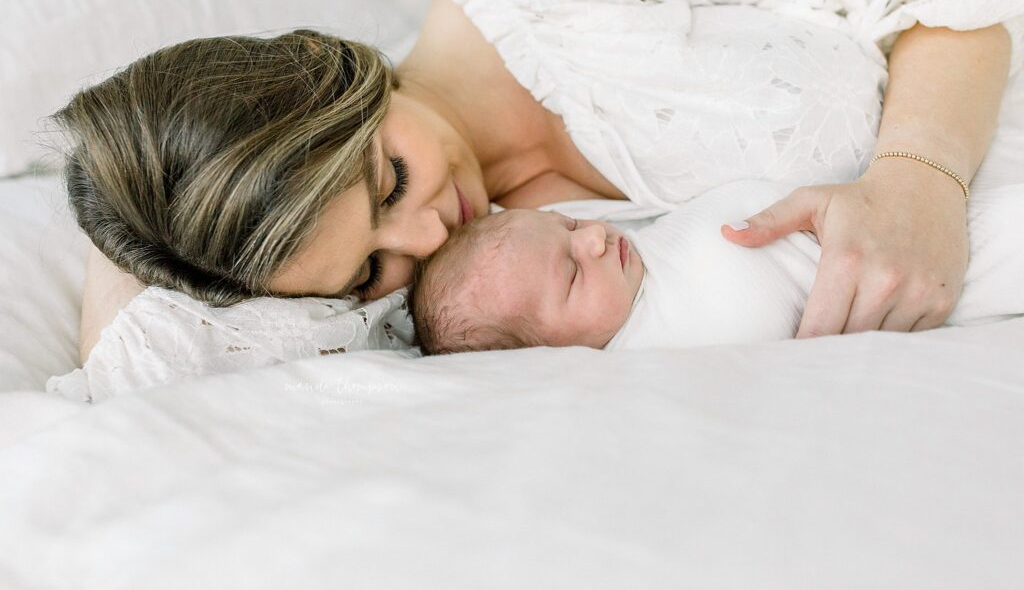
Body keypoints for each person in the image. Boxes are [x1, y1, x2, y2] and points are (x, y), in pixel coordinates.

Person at [65, 0, 1022, 365]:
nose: (427, 236)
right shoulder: (453, 294)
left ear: (335, 72)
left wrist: (919, 175)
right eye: (366, 270)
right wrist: (145, 221)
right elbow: (143, 379)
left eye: (390, 181)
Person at [410, 180, 1024, 354]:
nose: (595, 239)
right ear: (546, 355)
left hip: (910, 206)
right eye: (571, 275)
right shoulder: (654, 349)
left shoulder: (639, 253)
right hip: (947, 270)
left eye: (569, 229)